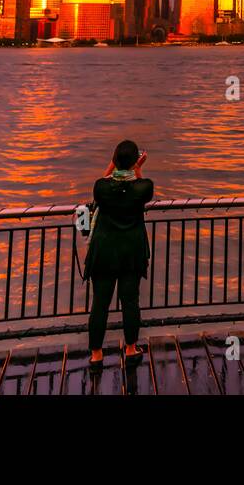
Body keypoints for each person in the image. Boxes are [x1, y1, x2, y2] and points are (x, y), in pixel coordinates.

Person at [85, 139, 154, 364]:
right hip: (131, 253)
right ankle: (131, 349)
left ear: (115, 160)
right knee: (130, 301)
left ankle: (96, 354)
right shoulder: (143, 187)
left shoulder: (102, 188)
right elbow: (143, 191)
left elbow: (101, 183)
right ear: (135, 161)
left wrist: (112, 164)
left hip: (104, 252)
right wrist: (138, 169)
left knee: (100, 304)